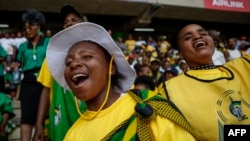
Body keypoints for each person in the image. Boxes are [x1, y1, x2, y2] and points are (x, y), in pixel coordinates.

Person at [46, 22, 198, 141]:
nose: (74, 64)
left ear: (111, 68)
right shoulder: (72, 135)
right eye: (68, 63)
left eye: (86, 56)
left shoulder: (149, 108)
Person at [159, 24, 250, 141]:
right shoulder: (169, 89)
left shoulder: (244, 66)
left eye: (203, 34)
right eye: (188, 37)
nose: (197, 37)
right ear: (180, 53)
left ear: (213, 42)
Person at [33, 4, 87, 141]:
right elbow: (46, 90)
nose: (68, 23)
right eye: (65, 22)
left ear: (85, 25)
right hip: (60, 125)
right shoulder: (52, 57)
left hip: (88, 120)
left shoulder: (94, 55)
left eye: (74, 20)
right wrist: (39, 124)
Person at [11, 8, 49, 141]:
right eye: (25, 27)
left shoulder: (48, 43)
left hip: (44, 83)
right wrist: (15, 65)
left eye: (30, 26)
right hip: (28, 83)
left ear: (38, 26)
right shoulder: (22, 46)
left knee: (43, 116)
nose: (27, 30)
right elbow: (18, 63)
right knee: (26, 117)